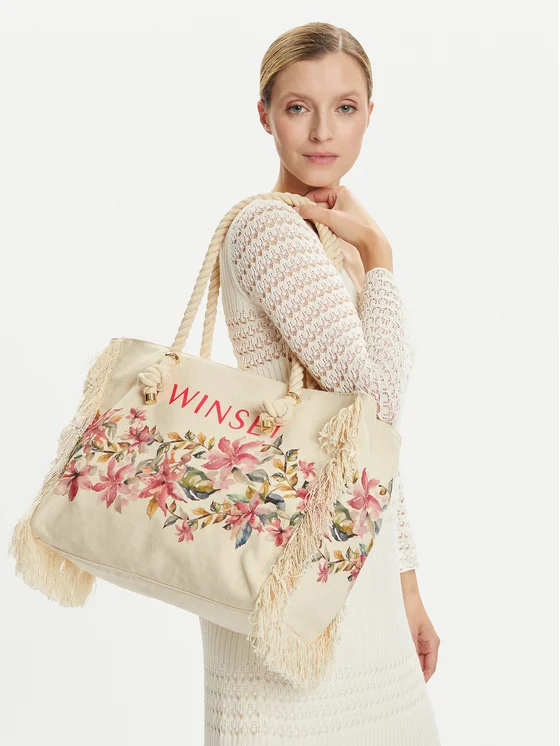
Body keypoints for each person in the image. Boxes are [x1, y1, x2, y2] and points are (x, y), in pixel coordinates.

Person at [200, 22, 441, 745]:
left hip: (350, 554)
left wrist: (406, 586)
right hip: (291, 556)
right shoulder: (270, 228)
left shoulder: (334, 239)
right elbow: (373, 405)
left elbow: (374, 447)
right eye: (298, 107)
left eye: (345, 107)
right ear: (265, 115)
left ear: (369, 114)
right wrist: (383, 256)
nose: (322, 132)